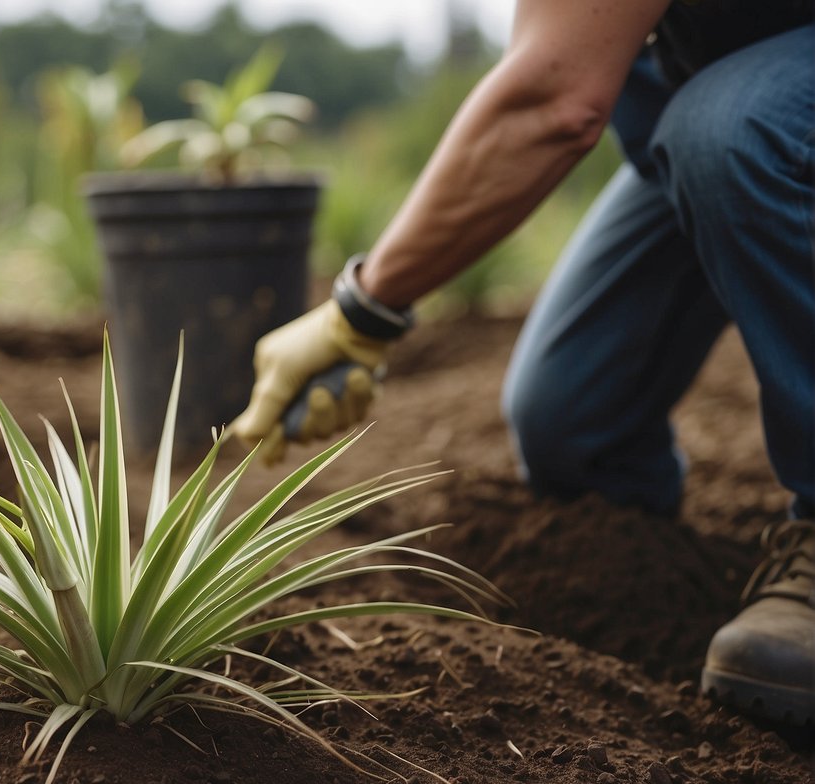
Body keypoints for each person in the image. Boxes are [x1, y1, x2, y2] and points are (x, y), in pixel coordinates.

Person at [232, 0, 814, 725]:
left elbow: (554, 102)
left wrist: (360, 310)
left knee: (734, 130)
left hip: (758, 118)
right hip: (715, 101)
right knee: (568, 419)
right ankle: (681, 592)